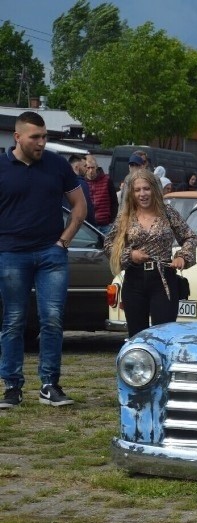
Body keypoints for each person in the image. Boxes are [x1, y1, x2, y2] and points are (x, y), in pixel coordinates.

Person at [0, 111, 87, 409]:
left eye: (44, 136)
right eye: (35, 137)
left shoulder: (57, 164)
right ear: (18, 137)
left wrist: (63, 242)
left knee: (52, 320)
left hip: (51, 254)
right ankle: (12, 387)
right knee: (13, 321)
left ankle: (49, 384)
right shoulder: (1, 166)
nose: (41, 142)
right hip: (11, 253)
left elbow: (79, 206)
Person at [104, 169, 197, 338]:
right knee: (137, 335)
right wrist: (130, 255)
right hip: (134, 280)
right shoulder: (125, 217)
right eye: (137, 190)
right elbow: (108, 245)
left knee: (163, 334)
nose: (142, 194)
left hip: (163, 280)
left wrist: (182, 256)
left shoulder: (168, 213)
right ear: (131, 193)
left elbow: (189, 236)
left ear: (155, 189)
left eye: (146, 188)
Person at [85, 154, 117, 233]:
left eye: (92, 167)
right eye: (88, 168)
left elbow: (114, 202)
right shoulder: (82, 182)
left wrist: (112, 220)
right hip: (88, 225)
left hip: (105, 225)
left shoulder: (107, 180)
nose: (91, 170)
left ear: (96, 167)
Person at [67, 154, 97, 225]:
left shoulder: (61, 181)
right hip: (80, 228)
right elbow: (87, 208)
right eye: (84, 166)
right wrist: (93, 227)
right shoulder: (81, 184)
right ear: (77, 167)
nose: (87, 168)